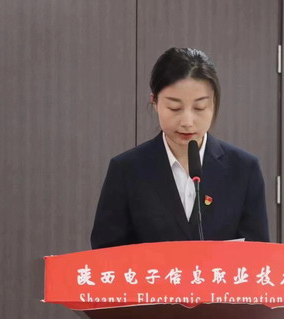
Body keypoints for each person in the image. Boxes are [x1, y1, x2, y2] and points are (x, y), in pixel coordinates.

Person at [90, 47, 269, 249]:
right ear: (154, 102)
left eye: (199, 107)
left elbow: (258, 254)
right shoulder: (127, 170)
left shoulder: (243, 169)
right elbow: (106, 253)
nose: (187, 122)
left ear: (214, 103)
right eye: (174, 108)